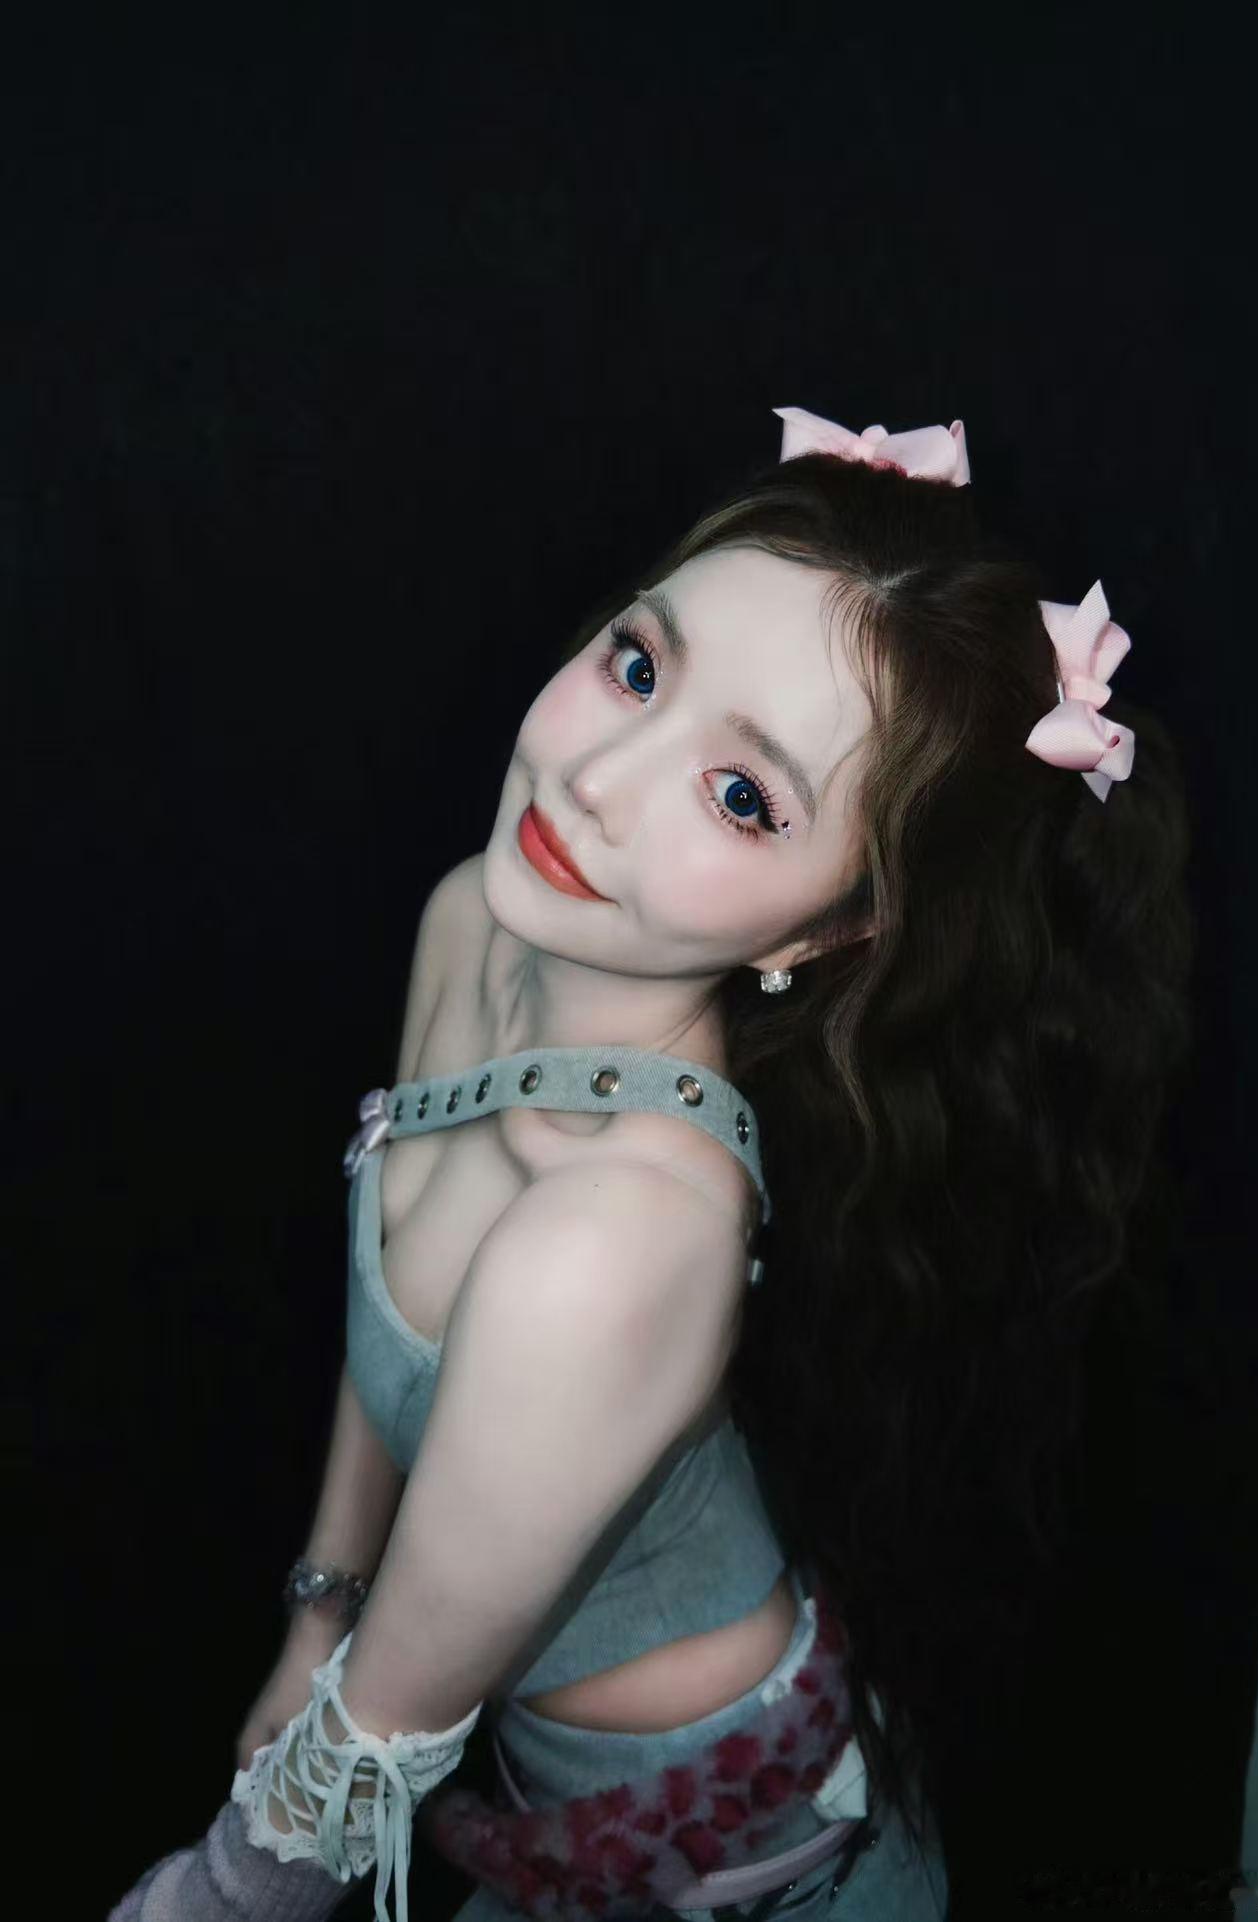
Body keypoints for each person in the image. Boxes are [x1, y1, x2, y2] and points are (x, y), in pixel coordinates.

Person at [107, 404, 1192, 1922]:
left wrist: (202, 1893)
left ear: (830, 929)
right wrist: (318, 1607)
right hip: (527, 1799)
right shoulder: (468, 921)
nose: (599, 779)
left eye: (742, 798)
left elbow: (349, 1773)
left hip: (739, 1868)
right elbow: (380, 1322)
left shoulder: (620, 1238)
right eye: (636, 665)